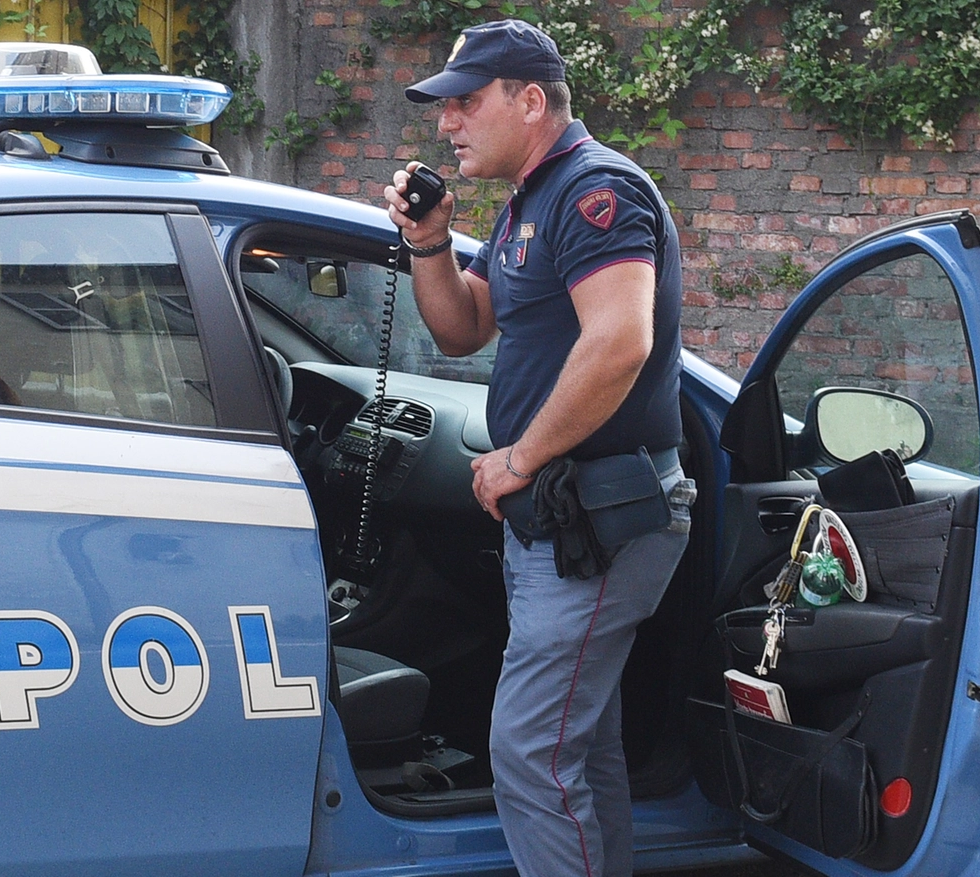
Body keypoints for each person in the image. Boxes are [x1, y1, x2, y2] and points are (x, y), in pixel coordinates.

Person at [383, 19, 691, 877]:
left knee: (528, 753)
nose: (447, 124)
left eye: (466, 103)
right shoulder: (531, 199)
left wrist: (519, 459)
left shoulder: (597, 193)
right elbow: (462, 328)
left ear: (529, 100)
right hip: (555, 520)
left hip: (596, 517)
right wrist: (430, 240)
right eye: (446, 107)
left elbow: (620, 340)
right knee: (579, 750)